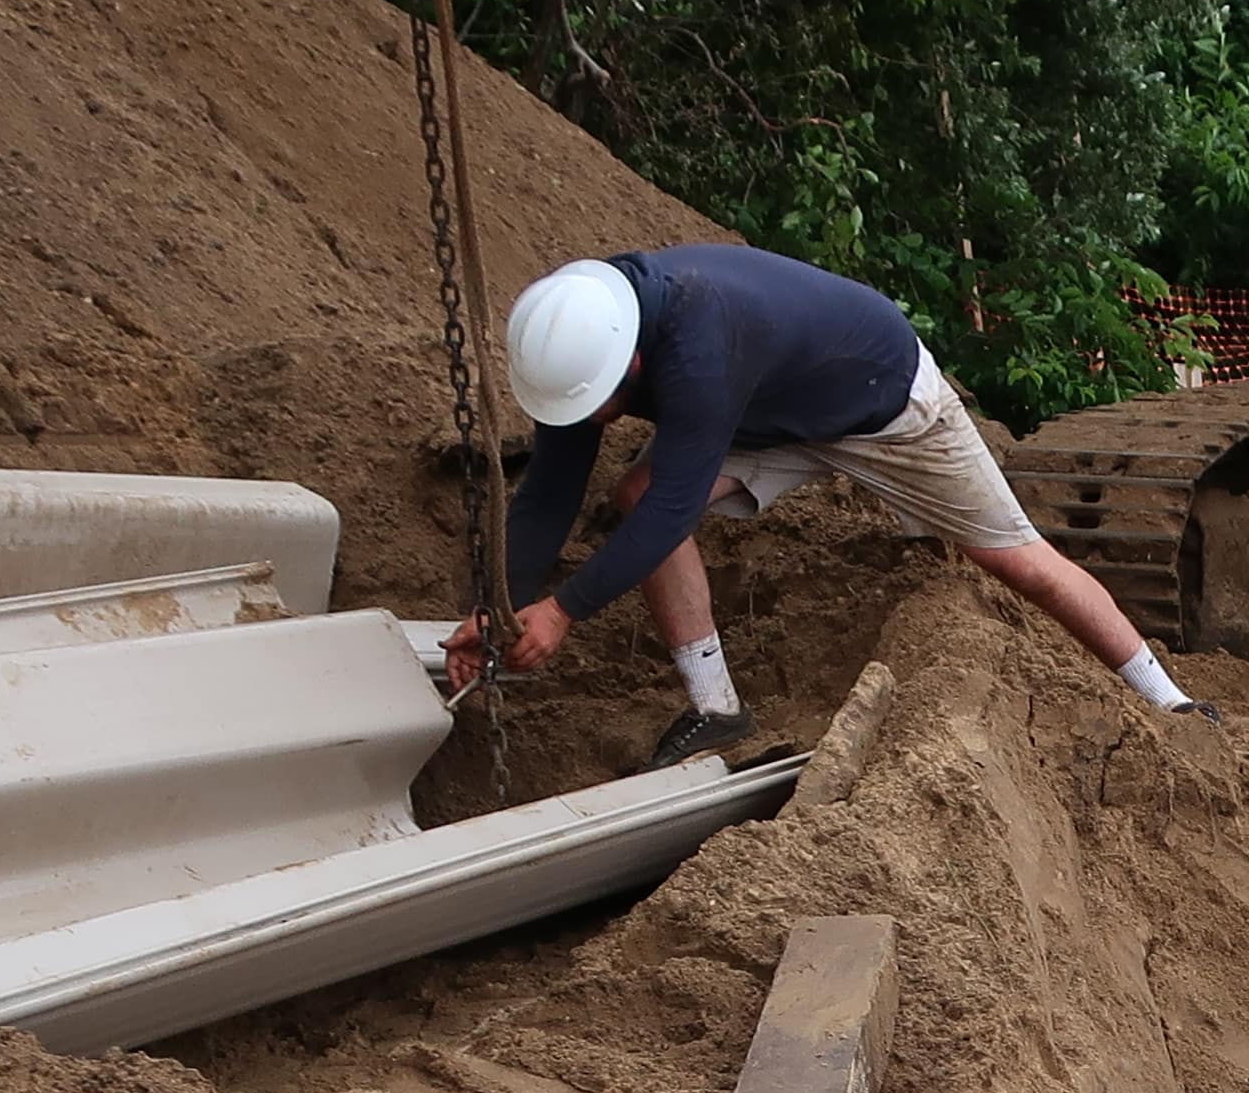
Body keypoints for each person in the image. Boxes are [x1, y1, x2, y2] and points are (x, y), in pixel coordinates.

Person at [464, 245, 1207, 766]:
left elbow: (669, 518)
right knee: (637, 489)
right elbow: (549, 492)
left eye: (599, 405)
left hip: (882, 401)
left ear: (627, 362)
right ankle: (717, 711)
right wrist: (500, 605)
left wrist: (561, 611)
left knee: (1013, 557)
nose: (592, 419)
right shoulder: (585, 336)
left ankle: (1168, 699)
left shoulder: (698, 343)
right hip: (771, 408)